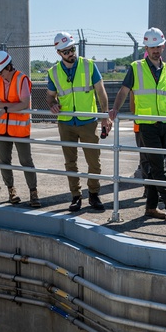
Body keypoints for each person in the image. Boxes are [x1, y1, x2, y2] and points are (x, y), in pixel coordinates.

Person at [109, 27, 166, 224]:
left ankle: (151, 207)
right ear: (146, 47)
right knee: (160, 167)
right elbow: (123, 90)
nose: (155, 50)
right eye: (151, 46)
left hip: (165, 123)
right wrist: (114, 110)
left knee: (157, 167)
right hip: (147, 124)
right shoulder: (136, 67)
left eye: (158, 46)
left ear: (163, 46)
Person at [46, 31, 112, 212]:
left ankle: (94, 194)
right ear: (58, 52)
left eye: (72, 49)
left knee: (94, 162)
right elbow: (50, 97)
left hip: (88, 121)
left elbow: (101, 92)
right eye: (66, 51)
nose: (71, 54)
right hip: (66, 122)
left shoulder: (89, 65)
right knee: (70, 163)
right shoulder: (53, 72)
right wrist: (52, 105)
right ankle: (76, 196)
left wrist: (105, 116)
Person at [0, 50, 39, 207]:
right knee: (4, 161)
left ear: (8, 67)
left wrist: (4, 109)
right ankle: (11, 190)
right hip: (1, 128)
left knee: (26, 161)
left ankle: (33, 192)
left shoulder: (22, 79)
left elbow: (24, 103)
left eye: (0, 71)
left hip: (19, 129)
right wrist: (11, 107)